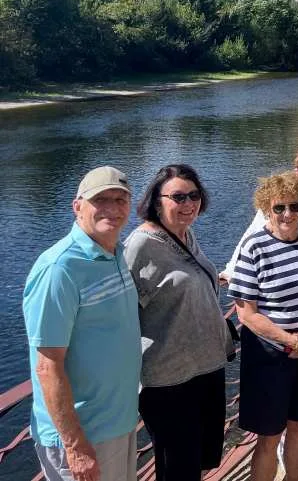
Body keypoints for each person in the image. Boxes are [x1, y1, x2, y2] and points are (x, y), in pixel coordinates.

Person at [222, 143, 298, 466]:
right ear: (266, 208)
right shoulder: (254, 247)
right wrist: (292, 342)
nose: (287, 214)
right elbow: (246, 313)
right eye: (279, 208)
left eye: (293, 207)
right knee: (269, 435)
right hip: (270, 355)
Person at [23, 166, 141, 481]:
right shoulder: (59, 268)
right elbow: (48, 366)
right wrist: (75, 446)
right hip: (85, 436)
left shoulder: (114, 253)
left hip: (119, 422)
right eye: (101, 200)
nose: (113, 209)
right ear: (78, 206)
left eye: (121, 199)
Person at [124, 165, 234, 480]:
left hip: (205, 368)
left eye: (194, 195)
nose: (188, 203)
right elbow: (124, 314)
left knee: (198, 461)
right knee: (177, 469)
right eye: (178, 197)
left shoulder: (185, 232)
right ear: (157, 201)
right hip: (169, 382)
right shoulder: (140, 246)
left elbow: (186, 280)